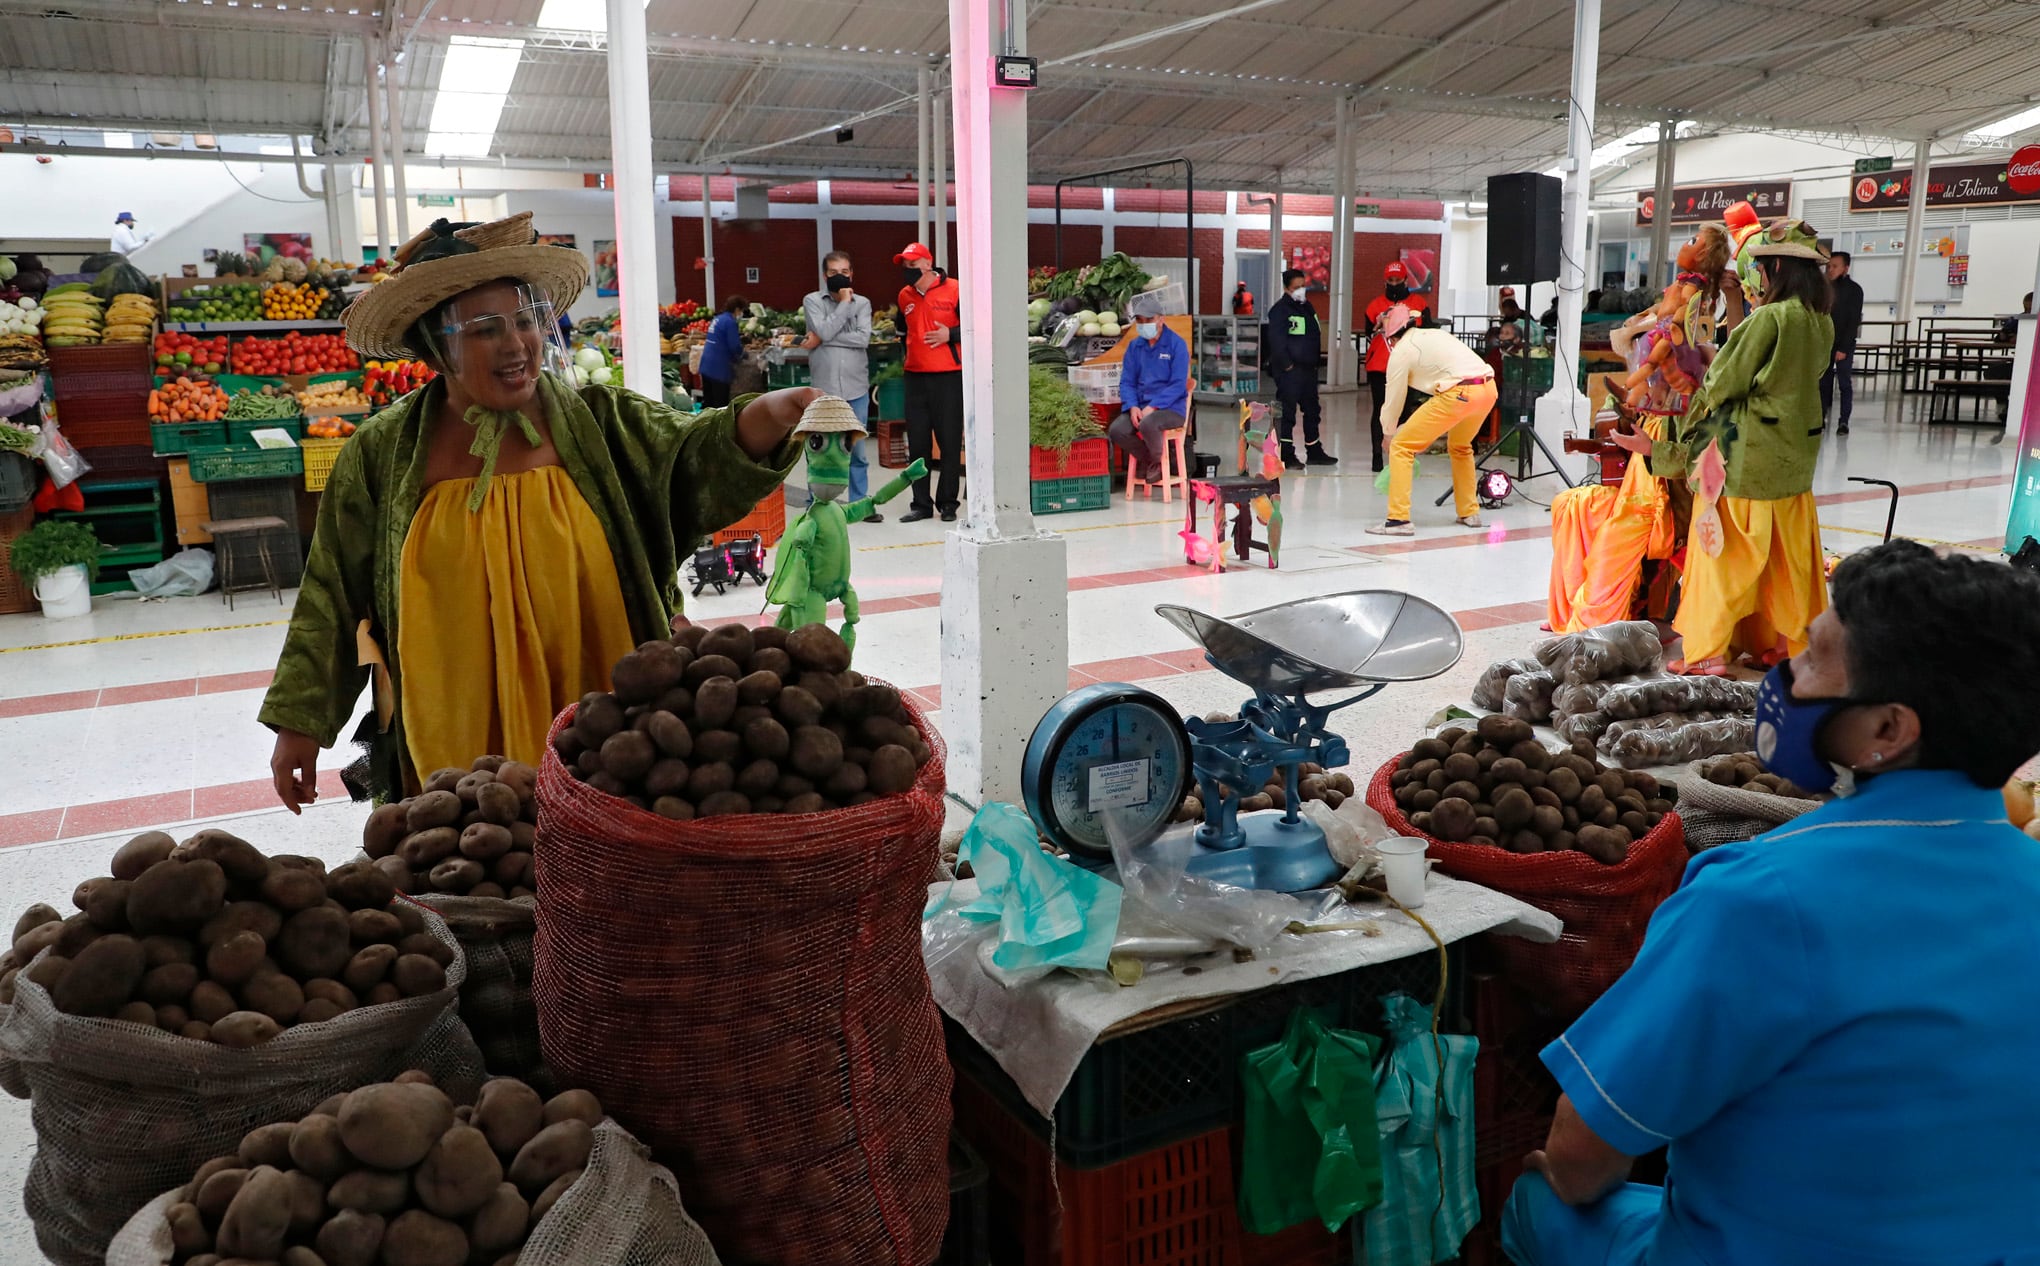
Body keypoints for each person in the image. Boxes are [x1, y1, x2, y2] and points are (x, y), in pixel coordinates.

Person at [1503, 539, 2040, 1266]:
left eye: (1814, 657)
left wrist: (1560, 1176)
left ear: (1889, 729)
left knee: (1540, 1200)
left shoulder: (1761, 900)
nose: (1784, 674)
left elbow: (1585, 1149)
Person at [260, 213, 810, 809]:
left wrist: (774, 414)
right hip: (449, 718)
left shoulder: (602, 422)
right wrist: (300, 724)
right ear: (434, 345)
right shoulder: (381, 453)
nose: (516, 343)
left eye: (525, 321)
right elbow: (332, 591)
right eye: (485, 329)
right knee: (473, 857)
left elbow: (694, 457)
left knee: (601, 849)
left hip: (600, 715)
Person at [1615, 219, 1834, 676]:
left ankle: (1709, 649)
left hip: (1746, 459)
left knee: (1722, 560)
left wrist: (1668, 440)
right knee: (1787, 563)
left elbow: (1724, 383)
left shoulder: (1772, 318)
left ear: (1775, 267)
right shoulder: (1819, 321)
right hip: (1794, 458)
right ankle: (1785, 645)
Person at [1366, 304, 1496, 536]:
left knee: (1402, 446)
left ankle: (1398, 520)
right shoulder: (1434, 335)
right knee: (1461, 447)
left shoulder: (1402, 350)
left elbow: (1394, 397)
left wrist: (1388, 433)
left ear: (1390, 335)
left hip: (1459, 393)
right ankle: (1469, 512)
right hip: (1487, 389)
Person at [801, 251, 876, 515]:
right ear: (825, 276)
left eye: (844, 272)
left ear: (851, 273)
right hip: (824, 389)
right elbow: (823, 331)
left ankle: (859, 504)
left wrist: (823, 337)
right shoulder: (812, 301)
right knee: (819, 447)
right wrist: (843, 306)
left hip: (856, 387)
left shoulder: (864, 304)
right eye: (833, 273)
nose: (839, 277)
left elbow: (863, 339)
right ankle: (816, 504)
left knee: (857, 451)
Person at [895, 241, 964, 523]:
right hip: (915, 377)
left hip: (948, 376)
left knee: (948, 443)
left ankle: (947, 503)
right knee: (919, 444)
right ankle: (920, 504)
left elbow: (978, 324)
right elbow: (902, 330)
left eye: (912, 264)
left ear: (927, 263)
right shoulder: (904, 295)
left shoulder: (955, 289)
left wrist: (951, 335)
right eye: (904, 265)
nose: (907, 270)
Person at [1108, 296, 1190, 482]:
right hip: (1141, 406)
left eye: (1149, 320)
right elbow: (1127, 381)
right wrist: (1132, 406)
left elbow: (1178, 384)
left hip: (1171, 409)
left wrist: (1153, 407)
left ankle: (1154, 462)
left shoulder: (1176, 345)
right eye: (1140, 321)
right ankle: (1153, 461)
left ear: (1161, 319)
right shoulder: (1135, 346)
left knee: (1148, 423)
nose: (1144, 324)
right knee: (1117, 430)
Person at [1263, 267, 1336, 469]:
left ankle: (1314, 451)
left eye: (1303, 286)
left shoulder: (1307, 307)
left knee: (1312, 410)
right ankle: (1286, 453)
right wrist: (1287, 365)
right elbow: (1276, 342)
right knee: (1287, 413)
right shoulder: (1280, 311)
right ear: (1287, 288)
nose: (1301, 290)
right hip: (1290, 371)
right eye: (1297, 287)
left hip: (1308, 369)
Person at [1363, 261, 1430, 472]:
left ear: (1405, 279)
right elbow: (1367, 333)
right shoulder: (1374, 305)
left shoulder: (1419, 303)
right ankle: (1376, 456)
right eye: (1390, 280)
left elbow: (1427, 332)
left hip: (1409, 366)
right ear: (1385, 281)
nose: (1394, 283)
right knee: (1381, 410)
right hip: (1380, 366)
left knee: (1404, 411)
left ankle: (1402, 454)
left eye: (1397, 280)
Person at [1821, 250, 1863, 435]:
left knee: (1844, 383)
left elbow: (1853, 321)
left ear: (1846, 268)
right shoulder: (1823, 288)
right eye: (1829, 266)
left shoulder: (1854, 290)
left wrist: (1844, 348)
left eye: (1835, 266)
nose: (1831, 270)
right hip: (1825, 344)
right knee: (1823, 383)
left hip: (1843, 344)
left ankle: (1843, 420)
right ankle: (1819, 417)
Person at [697, 294, 748, 408]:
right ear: (737, 309)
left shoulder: (718, 318)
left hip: (706, 366)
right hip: (718, 369)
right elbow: (734, 346)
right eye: (741, 311)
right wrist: (743, 355)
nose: (741, 314)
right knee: (720, 406)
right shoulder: (730, 322)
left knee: (709, 404)